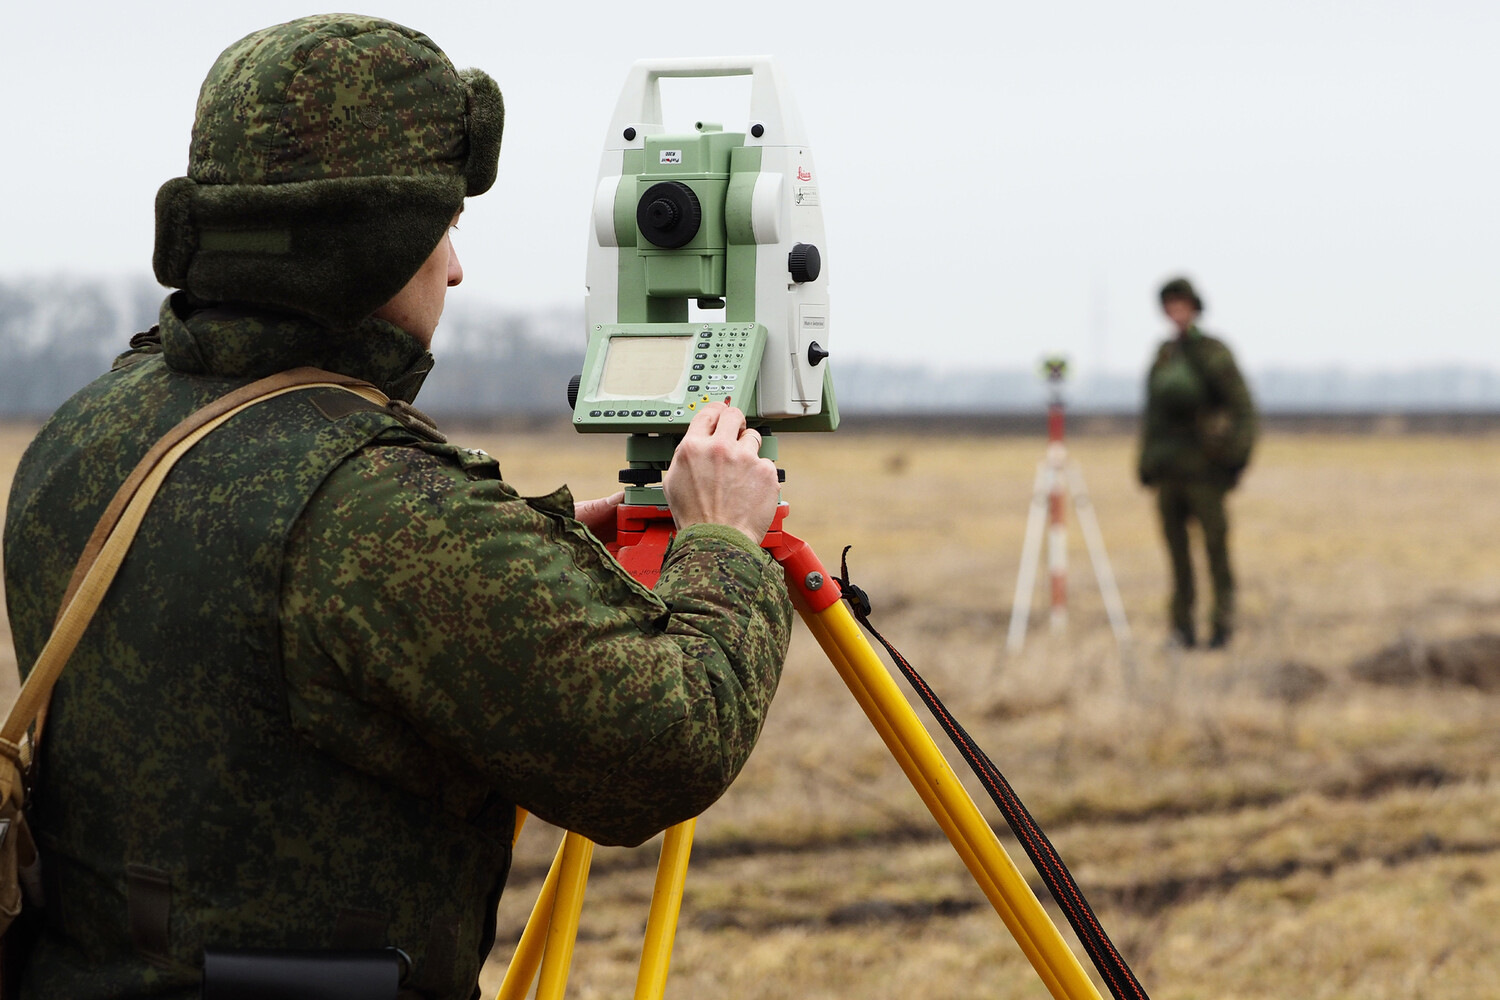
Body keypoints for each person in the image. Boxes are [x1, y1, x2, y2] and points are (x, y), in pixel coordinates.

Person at [2, 15, 791, 1000]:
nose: (455, 267)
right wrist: (720, 543)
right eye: (440, 228)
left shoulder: (86, 433)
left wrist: (515, 549)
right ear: (374, 246)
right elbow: (661, 749)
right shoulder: (383, 506)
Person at [1136, 277, 1257, 649]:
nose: (1176, 312)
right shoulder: (1164, 355)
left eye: (1182, 304)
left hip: (1205, 469)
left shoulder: (1213, 353)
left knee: (1216, 550)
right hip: (1170, 469)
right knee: (1177, 557)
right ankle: (1181, 629)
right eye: (1170, 305)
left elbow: (1243, 409)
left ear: (1194, 307)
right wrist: (1145, 462)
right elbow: (1152, 415)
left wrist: (1234, 460)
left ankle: (1222, 626)